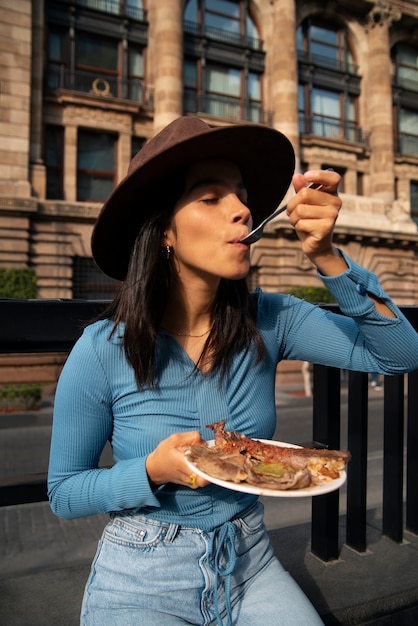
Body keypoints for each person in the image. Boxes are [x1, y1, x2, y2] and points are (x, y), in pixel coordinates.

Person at [48, 116, 418, 626]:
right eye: (210, 197)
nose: (244, 209)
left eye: (242, 195)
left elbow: (399, 355)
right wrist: (150, 472)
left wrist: (327, 257)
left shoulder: (273, 318)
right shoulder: (102, 348)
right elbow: (64, 492)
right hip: (142, 573)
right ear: (163, 233)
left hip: (250, 563)